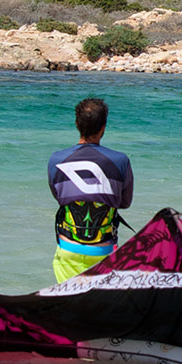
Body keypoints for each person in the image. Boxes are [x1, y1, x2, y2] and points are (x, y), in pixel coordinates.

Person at [47, 97, 134, 283]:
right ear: (103, 127)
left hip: (68, 250)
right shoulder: (120, 161)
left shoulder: (56, 160)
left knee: (70, 305)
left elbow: (60, 197)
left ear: (77, 124)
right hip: (104, 252)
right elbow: (124, 203)